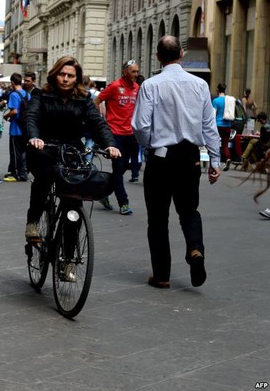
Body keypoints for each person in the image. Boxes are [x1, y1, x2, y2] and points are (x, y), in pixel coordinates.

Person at [132, 35, 222, 289]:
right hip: (190, 158)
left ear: (158, 57)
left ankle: (162, 275)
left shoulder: (150, 85)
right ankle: (195, 249)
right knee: (189, 211)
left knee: (158, 219)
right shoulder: (200, 85)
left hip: (161, 158)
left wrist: (149, 145)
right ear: (181, 55)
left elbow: (141, 126)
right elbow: (209, 126)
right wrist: (215, 160)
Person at [24, 56, 120, 246]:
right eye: (62, 74)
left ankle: (68, 258)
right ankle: (33, 221)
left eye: (70, 75)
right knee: (44, 177)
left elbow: (98, 123)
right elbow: (31, 116)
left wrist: (110, 144)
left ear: (76, 78)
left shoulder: (83, 99)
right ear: (55, 75)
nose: (65, 79)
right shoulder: (40, 94)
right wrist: (34, 137)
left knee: (73, 204)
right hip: (44, 148)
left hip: (71, 152)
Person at [93, 59, 140, 214]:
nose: (136, 74)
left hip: (131, 134)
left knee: (121, 170)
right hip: (115, 135)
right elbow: (97, 100)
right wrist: (100, 120)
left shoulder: (137, 88)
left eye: (137, 71)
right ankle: (123, 203)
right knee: (118, 167)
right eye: (133, 71)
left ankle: (103, 193)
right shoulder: (114, 86)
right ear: (124, 71)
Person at [3, 72, 29, 182]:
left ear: (12, 82)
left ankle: (18, 173)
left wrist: (6, 115)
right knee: (23, 151)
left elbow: (14, 111)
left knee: (14, 151)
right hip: (25, 127)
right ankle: (19, 171)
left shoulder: (13, 94)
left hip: (16, 127)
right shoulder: (27, 94)